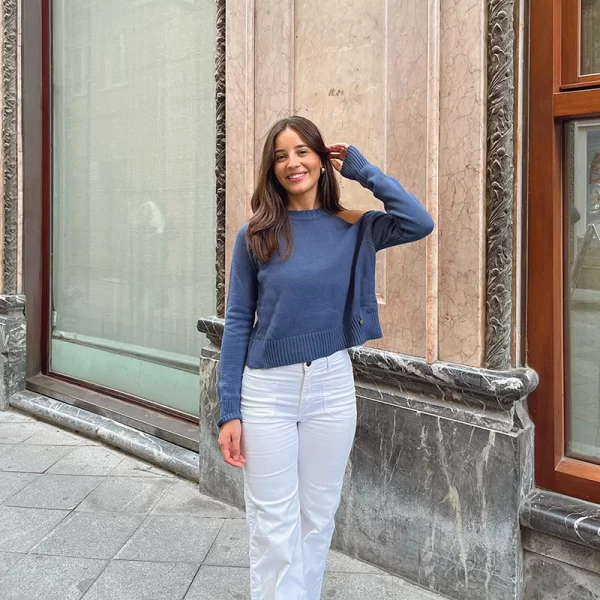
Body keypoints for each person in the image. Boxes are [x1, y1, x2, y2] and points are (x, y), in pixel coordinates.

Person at [217, 116, 434, 600]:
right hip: (267, 391)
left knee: (317, 517)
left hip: (332, 387)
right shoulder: (255, 235)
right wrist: (228, 408)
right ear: (270, 169)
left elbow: (419, 221)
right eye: (280, 155)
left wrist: (363, 169)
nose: (292, 163)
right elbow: (236, 323)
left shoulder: (354, 226)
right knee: (274, 527)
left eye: (301, 151)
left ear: (320, 158)